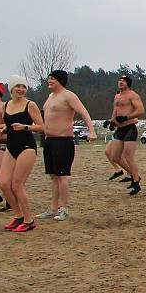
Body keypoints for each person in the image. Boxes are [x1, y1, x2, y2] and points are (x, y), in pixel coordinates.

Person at [37, 70, 98, 222]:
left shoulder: (68, 95)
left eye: (52, 79)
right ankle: (53, 207)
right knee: (53, 175)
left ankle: (64, 208)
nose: (49, 81)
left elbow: (84, 112)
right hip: (49, 140)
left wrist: (91, 131)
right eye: (49, 78)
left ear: (60, 80)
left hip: (63, 140)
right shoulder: (51, 96)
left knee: (62, 175)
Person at [0, 75, 45, 233]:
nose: (21, 90)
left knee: (17, 185)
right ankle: (18, 216)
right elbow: (8, 125)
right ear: (11, 89)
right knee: (4, 183)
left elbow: (41, 127)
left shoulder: (30, 105)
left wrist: (25, 127)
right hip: (11, 146)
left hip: (27, 147)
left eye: (24, 87)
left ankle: (29, 220)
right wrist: (2, 129)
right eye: (18, 87)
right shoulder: (6, 105)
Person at [104, 74, 145, 194]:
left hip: (129, 128)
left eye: (124, 81)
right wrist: (112, 121)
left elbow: (141, 110)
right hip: (119, 129)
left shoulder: (133, 95)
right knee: (115, 157)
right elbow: (115, 110)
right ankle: (134, 175)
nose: (121, 82)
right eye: (120, 80)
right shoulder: (117, 96)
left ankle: (136, 183)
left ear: (128, 83)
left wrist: (127, 117)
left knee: (129, 156)